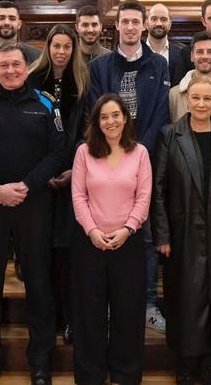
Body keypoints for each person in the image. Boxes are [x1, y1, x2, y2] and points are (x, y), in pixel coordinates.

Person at [0, 45, 66, 385]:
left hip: (33, 204)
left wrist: (25, 185)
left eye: (16, 64)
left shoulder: (46, 103)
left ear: (27, 68)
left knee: (39, 284)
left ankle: (40, 363)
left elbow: (57, 153)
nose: (10, 70)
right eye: (4, 65)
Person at [86, 0, 172, 335]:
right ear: (117, 26)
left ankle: (149, 305)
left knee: (145, 234)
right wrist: (114, 151)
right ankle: (110, 307)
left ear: (145, 26)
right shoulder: (101, 66)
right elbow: (98, 114)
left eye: (137, 22)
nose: (132, 27)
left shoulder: (159, 65)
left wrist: (138, 152)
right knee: (109, 228)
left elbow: (161, 115)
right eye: (126, 22)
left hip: (144, 159)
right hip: (106, 162)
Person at [153, 73, 211, 384]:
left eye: (208, 99)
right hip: (182, 231)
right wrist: (161, 233)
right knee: (186, 298)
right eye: (196, 98)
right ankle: (186, 361)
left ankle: (208, 360)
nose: (201, 103)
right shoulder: (169, 135)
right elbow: (159, 189)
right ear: (186, 100)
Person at [71, 94, 152, 385]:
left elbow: (143, 197)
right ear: (96, 122)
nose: (111, 121)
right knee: (89, 311)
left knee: (127, 311)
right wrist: (92, 230)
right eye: (104, 117)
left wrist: (128, 228)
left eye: (115, 115)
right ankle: (90, 373)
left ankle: (126, 371)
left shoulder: (140, 153)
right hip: (90, 242)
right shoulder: (84, 152)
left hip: (127, 242)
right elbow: (78, 196)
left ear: (125, 118)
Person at [28, 24, 92, 345]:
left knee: (66, 252)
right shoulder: (32, 79)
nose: (61, 52)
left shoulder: (82, 82)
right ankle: (46, 318)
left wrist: (71, 168)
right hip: (39, 178)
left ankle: (69, 318)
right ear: (48, 48)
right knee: (41, 251)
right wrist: (43, 170)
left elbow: (85, 130)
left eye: (67, 46)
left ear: (74, 49)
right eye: (56, 46)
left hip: (71, 176)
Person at [146, 2, 190, 86]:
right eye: (154, 19)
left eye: (163, 19)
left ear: (170, 24)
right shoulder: (137, 51)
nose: (159, 23)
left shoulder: (181, 54)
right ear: (146, 23)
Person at [0, 0, 42, 64]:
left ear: (19, 24)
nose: (7, 23)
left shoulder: (36, 56)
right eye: (1, 18)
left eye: (12, 19)